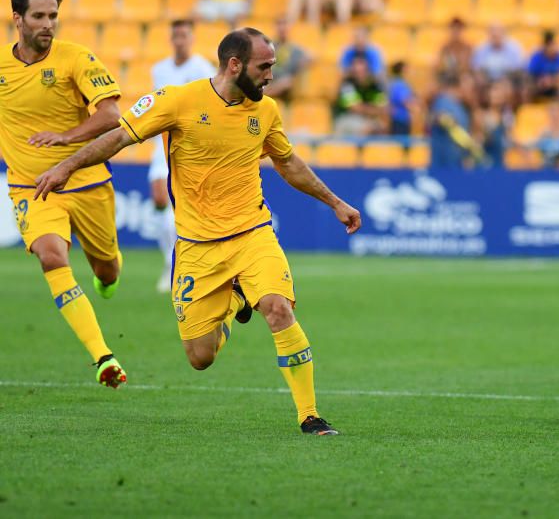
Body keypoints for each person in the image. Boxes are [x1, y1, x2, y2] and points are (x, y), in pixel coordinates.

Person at [35, 27, 363, 436]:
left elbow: (288, 162)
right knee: (200, 357)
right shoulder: (179, 100)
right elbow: (119, 137)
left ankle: (309, 415)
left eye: (273, 67)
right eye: (265, 67)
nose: (270, 76)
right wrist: (67, 165)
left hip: (252, 233)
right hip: (195, 247)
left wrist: (335, 202)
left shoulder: (266, 112)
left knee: (278, 308)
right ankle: (236, 300)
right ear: (234, 65)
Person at [0, 0, 126, 388]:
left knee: (107, 269)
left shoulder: (76, 58)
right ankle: (103, 357)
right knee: (52, 256)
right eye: (38, 16)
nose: (48, 24)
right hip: (30, 186)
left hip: (87, 182)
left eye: (53, 16)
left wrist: (67, 138)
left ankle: (106, 279)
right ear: (17, 18)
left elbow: (110, 115)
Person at [148, 19, 216, 293]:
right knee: (159, 198)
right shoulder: (159, 70)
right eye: (175, 36)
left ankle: (188, 263)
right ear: (171, 39)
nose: (180, 40)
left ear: (192, 38)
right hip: (162, 144)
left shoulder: (202, 69)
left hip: (190, 147)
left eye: (184, 35)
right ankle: (170, 261)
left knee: (184, 209)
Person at [332, 56, 388, 136]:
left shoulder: (375, 86)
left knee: (383, 128)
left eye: (362, 70)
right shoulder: (347, 84)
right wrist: (373, 110)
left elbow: (383, 107)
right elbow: (355, 108)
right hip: (346, 119)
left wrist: (368, 109)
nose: (360, 73)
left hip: (369, 119)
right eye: (356, 71)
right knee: (366, 128)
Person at [265, 18, 311, 105]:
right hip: (270, 80)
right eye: (279, 25)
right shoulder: (268, 47)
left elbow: (310, 56)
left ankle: (264, 95)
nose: (282, 28)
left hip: (287, 84)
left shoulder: (295, 49)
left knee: (287, 82)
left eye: (285, 25)